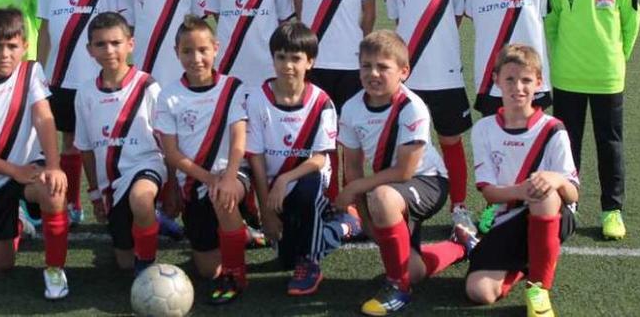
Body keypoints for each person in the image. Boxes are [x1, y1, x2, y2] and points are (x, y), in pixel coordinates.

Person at [336, 30, 476, 316]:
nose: (373, 73)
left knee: (383, 198)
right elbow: (351, 167)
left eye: (382, 67)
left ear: (403, 71)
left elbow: (404, 170)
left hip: (428, 183)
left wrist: (358, 191)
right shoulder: (351, 108)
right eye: (366, 66)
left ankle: (398, 288)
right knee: (415, 269)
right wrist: (365, 217)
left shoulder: (413, 108)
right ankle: (460, 246)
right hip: (389, 186)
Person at [0, 7, 70, 300]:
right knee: (1, 265)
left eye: (11, 46)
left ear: (25, 47)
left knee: (53, 191)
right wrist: (13, 171)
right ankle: (17, 221)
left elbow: (44, 118)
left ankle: (55, 269)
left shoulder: (32, 72)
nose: (4, 54)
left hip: (32, 169)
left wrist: (54, 166)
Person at [546, 0, 640, 240]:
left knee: (609, 144)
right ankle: (568, 204)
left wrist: (617, 57)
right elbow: (552, 25)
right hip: (568, 77)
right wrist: (562, 59)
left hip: (607, 78)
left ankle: (611, 210)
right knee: (567, 145)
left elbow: (631, 24)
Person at [245, 21, 361, 296]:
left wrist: (286, 178)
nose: (287, 65)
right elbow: (256, 158)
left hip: (305, 179)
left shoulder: (322, 102)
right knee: (287, 258)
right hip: (272, 185)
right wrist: (266, 211)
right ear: (272, 58)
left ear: (310, 62)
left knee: (307, 192)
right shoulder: (258, 100)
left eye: (296, 58)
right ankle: (346, 225)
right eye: (281, 57)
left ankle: (311, 264)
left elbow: (319, 159)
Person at [381, 0, 474, 232]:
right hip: (408, 80)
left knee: (451, 142)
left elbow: (457, 17)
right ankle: (406, 202)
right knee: (409, 145)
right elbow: (397, 19)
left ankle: (459, 206)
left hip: (447, 77)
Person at [466, 44, 579, 317]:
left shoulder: (553, 129)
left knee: (546, 193)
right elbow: (490, 194)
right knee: (478, 292)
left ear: (539, 82)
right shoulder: (484, 129)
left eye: (527, 80)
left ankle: (538, 287)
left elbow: (573, 195)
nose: (518, 87)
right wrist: (522, 190)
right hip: (507, 217)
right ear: (496, 81)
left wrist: (553, 178)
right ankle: (527, 262)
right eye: (510, 79)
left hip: (552, 215)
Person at [287, 0, 380, 200]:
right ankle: (330, 196)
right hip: (315, 66)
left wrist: (358, 53)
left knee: (351, 139)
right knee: (322, 139)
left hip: (350, 66)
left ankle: (353, 200)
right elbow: (301, 14)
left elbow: (368, 15)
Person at [154, 16, 250, 304]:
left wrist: (229, 176)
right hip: (195, 182)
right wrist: (207, 179)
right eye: (187, 51)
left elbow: (238, 139)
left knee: (223, 196)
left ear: (215, 49)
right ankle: (244, 234)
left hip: (233, 176)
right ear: (177, 53)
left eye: (202, 50)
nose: (196, 58)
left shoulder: (232, 87)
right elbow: (171, 153)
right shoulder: (169, 95)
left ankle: (235, 274)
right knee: (208, 270)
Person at [37, 0, 119, 226]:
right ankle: (72, 202)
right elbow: (44, 29)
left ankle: (108, 196)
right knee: (69, 143)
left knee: (104, 140)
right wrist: (38, 72)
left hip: (98, 80)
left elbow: (117, 31)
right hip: (60, 78)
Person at [74, 12, 171, 274]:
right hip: (112, 183)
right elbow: (85, 149)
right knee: (123, 262)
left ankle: (147, 264)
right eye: (101, 44)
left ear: (130, 44)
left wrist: (174, 186)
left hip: (147, 167)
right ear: (89, 50)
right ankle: (155, 220)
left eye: (116, 43)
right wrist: (95, 193)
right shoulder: (85, 93)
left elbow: (166, 141)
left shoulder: (148, 86)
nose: (109, 50)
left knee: (140, 198)